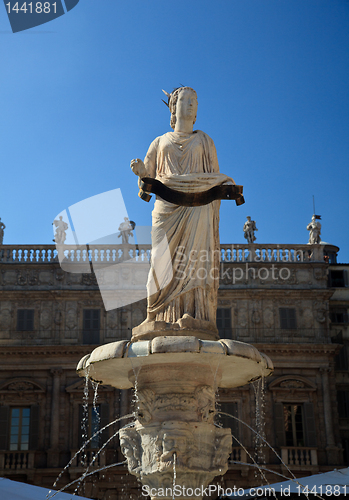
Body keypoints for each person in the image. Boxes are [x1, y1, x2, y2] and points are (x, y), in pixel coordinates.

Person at [130, 87, 235, 328]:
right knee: (160, 260)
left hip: (198, 206)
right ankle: (153, 315)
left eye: (194, 101)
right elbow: (146, 184)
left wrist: (225, 184)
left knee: (196, 262)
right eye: (185, 100)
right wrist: (141, 173)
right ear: (173, 108)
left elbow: (214, 178)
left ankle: (195, 316)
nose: (190, 105)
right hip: (167, 207)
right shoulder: (159, 142)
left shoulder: (205, 141)